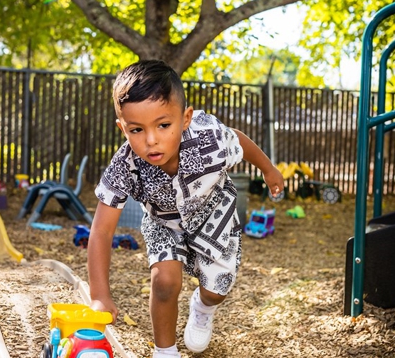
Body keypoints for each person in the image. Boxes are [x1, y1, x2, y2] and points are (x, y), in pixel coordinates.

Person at [87, 60, 284, 358]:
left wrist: (269, 170)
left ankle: (203, 307)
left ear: (186, 118)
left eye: (163, 125)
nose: (151, 140)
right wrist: (100, 295)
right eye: (137, 129)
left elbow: (239, 141)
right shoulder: (125, 165)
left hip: (215, 216)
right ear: (122, 128)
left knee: (216, 290)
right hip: (163, 224)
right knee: (165, 281)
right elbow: (101, 229)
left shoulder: (209, 137)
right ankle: (164, 351)